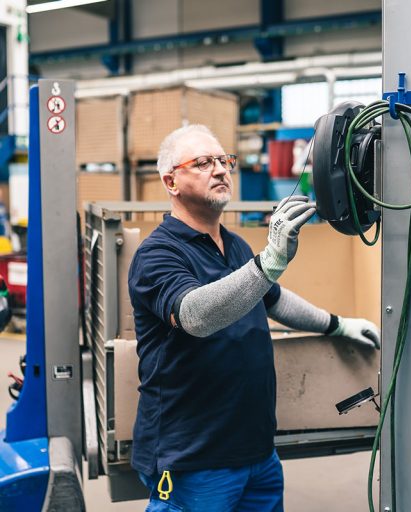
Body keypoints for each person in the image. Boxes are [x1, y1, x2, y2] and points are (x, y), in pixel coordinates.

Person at [128, 125, 380, 512]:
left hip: (257, 453)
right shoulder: (157, 254)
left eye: (223, 160)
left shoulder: (234, 245)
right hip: (194, 459)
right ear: (170, 181)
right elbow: (194, 314)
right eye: (202, 163)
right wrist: (271, 261)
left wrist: (338, 324)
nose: (220, 169)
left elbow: (273, 300)